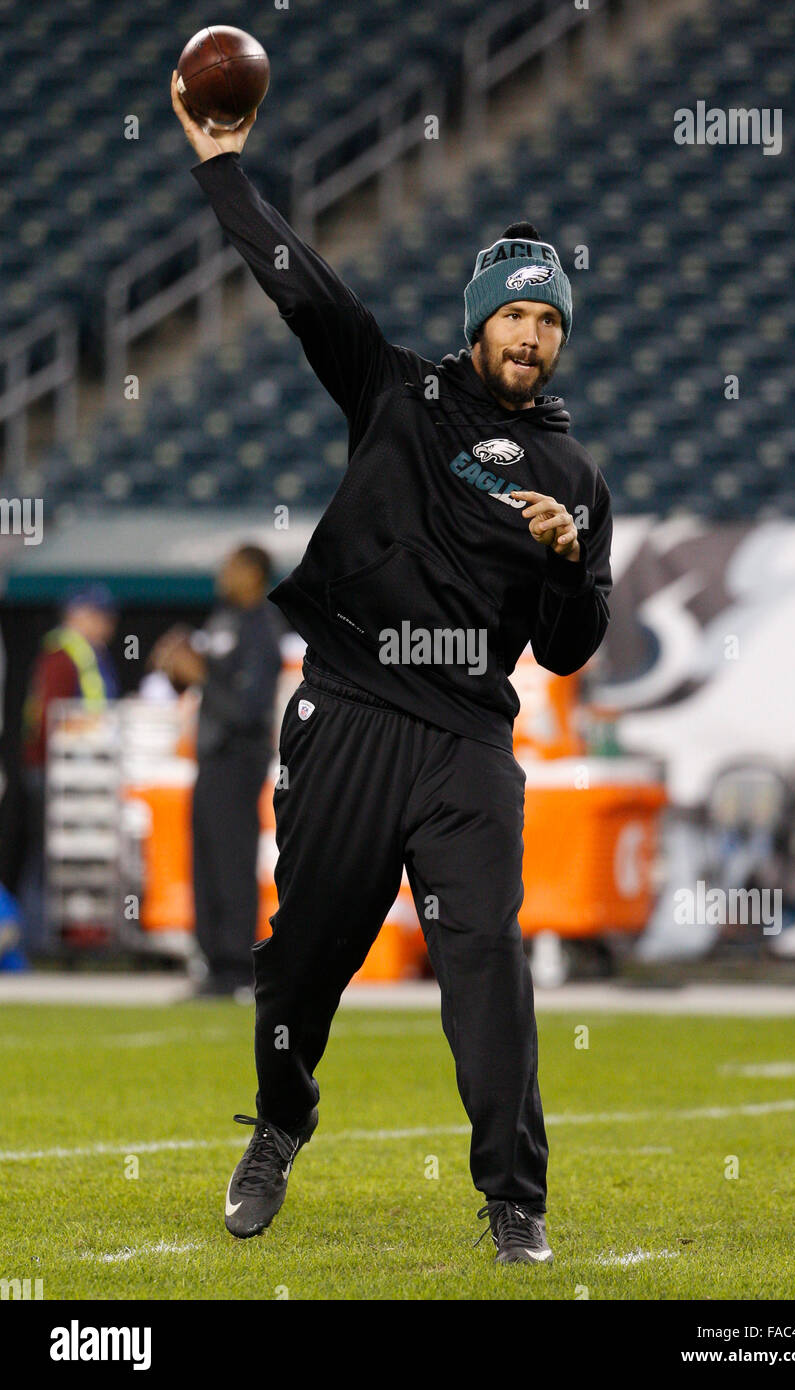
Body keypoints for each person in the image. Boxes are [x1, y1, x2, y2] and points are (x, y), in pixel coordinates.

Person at [172, 74, 613, 1265]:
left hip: (466, 740)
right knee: (301, 956)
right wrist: (222, 168)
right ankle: (278, 1121)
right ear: (478, 321)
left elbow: (570, 645)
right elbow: (298, 287)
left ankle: (512, 1195)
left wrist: (568, 569)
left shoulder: (576, 483)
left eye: (550, 321)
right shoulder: (396, 391)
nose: (530, 334)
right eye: (515, 314)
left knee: (483, 961)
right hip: (350, 709)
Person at [153, 546, 283, 998]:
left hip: (239, 758)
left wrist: (202, 674)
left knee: (231, 859)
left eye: (233, 567)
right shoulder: (221, 620)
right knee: (206, 860)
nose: (223, 573)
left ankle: (238, 966)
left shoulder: (263, 629)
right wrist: (177, 666)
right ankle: (213, 962)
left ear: (255, 574)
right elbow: (199, 681)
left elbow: (249, 710)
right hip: (210, 757)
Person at [20, 584, 119, 952]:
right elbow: (52, 718)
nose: (107, 625)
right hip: (55, 772)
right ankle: (36, 940)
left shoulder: (89, 654)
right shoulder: (64, 654)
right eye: (100, 616)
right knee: (48, 856)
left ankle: (55, 939)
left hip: (76, 773)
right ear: (79, 615)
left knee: (62, 857)